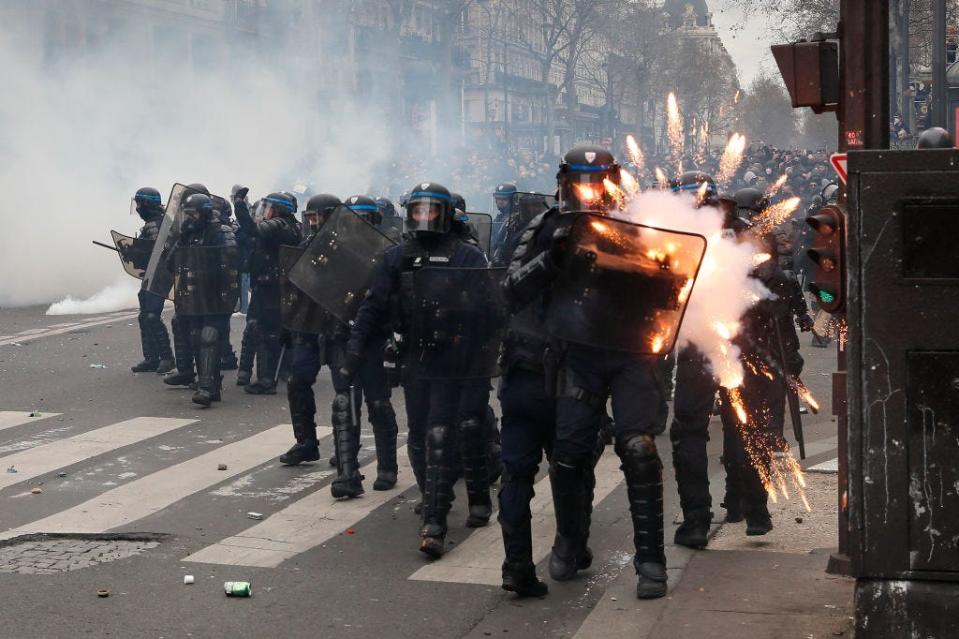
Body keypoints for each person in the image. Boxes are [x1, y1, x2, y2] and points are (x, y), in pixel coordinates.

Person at [503, 145, 673, 599]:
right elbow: (510, 292)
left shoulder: (641, 223)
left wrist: (648, 264)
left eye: (598, 180)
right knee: (569, 455)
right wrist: (553, 259)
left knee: (637, 447)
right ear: (564, 181)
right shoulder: (545, 228)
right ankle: (571, 540)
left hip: (632, 351)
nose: (590, 189)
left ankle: (651, 561)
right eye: (582, 179)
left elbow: (673, 286)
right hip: (577, 354)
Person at [341, 182, 495, 558]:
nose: (424, 218)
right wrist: (354, 351)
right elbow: (373, 305)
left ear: (445, 215)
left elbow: (492, 313)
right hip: (416, 358)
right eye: (417, 210)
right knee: (420, 433)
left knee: (443, 432)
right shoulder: (396, 257)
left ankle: (436, 521)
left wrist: (482, 359)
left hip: (455, 361)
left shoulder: (468, 257)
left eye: (431, 211)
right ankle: (432, 495)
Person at [280, 194, 342, 466]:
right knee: (298, 382)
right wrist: (288, 323)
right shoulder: (305, 245)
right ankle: (306, 442)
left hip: (338, 330)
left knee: (344, 392)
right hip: (308, 328)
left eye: (318, 217)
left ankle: (345, 448)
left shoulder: (349, 248)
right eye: (311, 218)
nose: (314, 222)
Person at [166, 192, 239, 407]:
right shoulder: (188, 233)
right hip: (194, 296)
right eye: (188, 214)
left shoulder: (221, 231)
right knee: (196, 337)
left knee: (209, 336)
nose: (191, 218)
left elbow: (232, 260)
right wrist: (181, 240)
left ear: (205, 213)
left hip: (217, 296)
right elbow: (172, 263)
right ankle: (210, 384)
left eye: (194, 214)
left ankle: (206, 387)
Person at [233, 191, 302, 395]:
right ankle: (274, 374)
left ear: (278, 209)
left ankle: (266, 379)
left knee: (266, 332)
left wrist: (239, 206)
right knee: (272, 331)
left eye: (269, 207)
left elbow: (252, 229)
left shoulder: (279, 224)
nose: (266, 211)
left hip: (271, 287)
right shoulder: (291, 225)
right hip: (274, 285)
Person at [129, 187, 174, 375]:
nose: (137, 208)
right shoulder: (157, 222)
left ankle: (166, 358)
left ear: (147, 204)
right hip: (151, 275)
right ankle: (151, 358)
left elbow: (158, 253)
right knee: (144, 315)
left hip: (160, 276)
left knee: (152, 316)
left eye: (139, 203)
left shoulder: (157, 225)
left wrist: (135, 253)